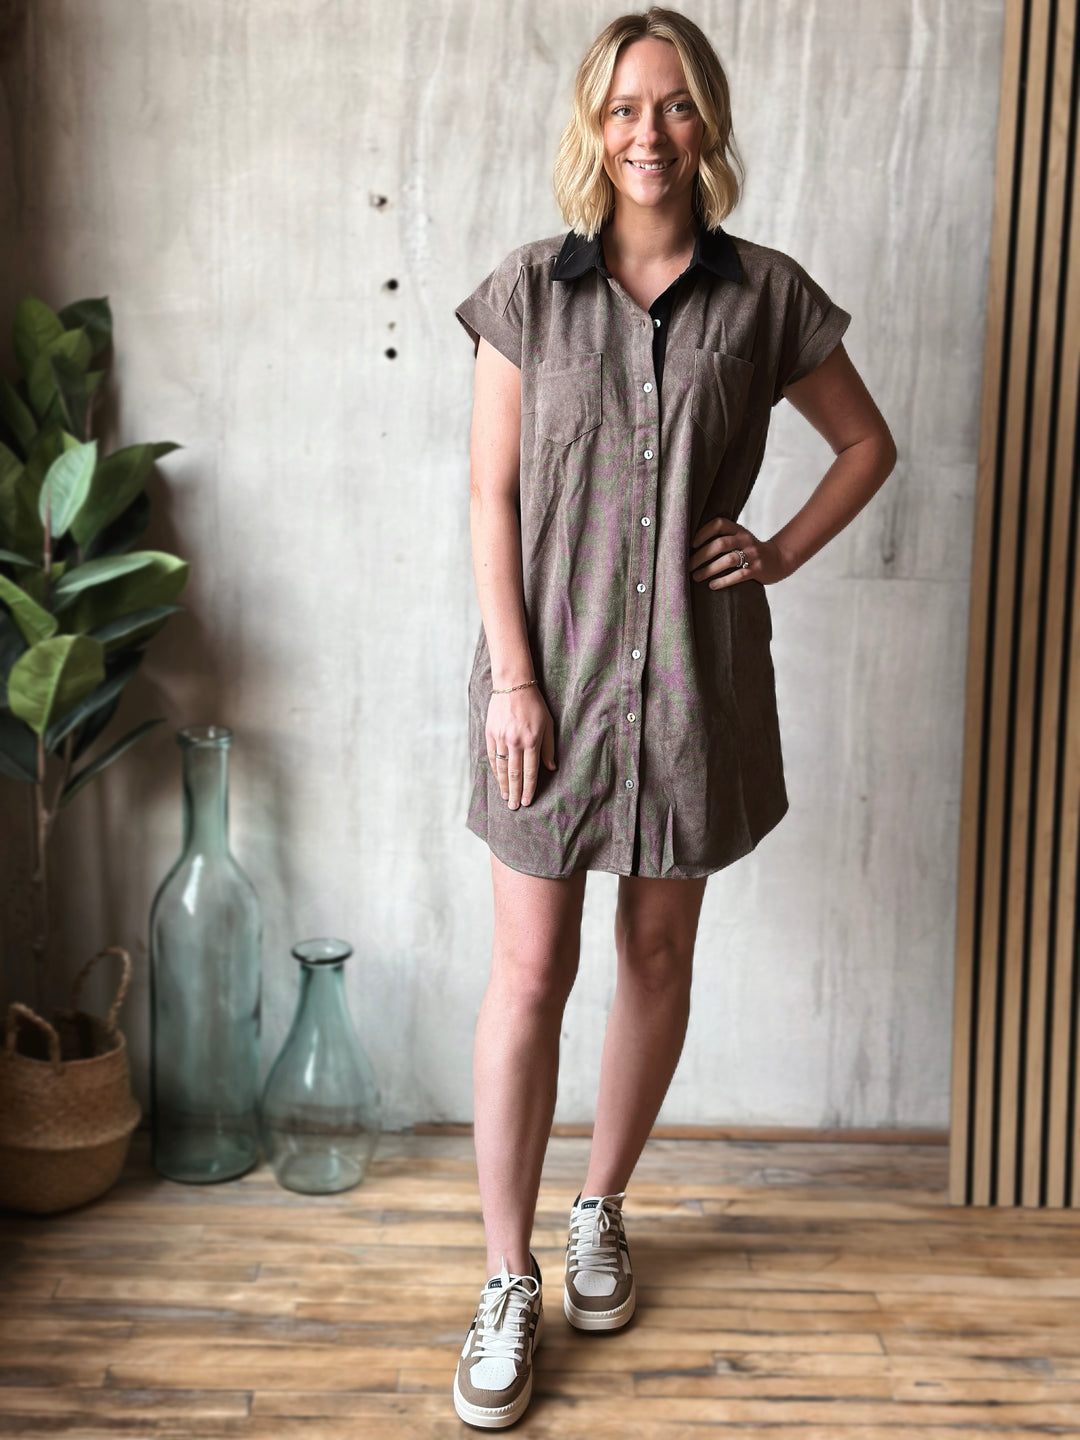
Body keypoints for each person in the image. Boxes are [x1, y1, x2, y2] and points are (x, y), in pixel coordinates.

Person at [451, 6, 896, 1428]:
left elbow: (867, 443)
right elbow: (490, 498)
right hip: (549, 687)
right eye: (626, 108)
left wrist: (778, 548)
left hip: (694, 683)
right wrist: (515, 680)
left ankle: (600, 1208)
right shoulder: (528, 291)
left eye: (677, 105)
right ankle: (505, 1276)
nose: (650, 132)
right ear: (595, 127)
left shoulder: (766, 298)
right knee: (530, 971)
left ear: (709, 125)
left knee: (655, 952)